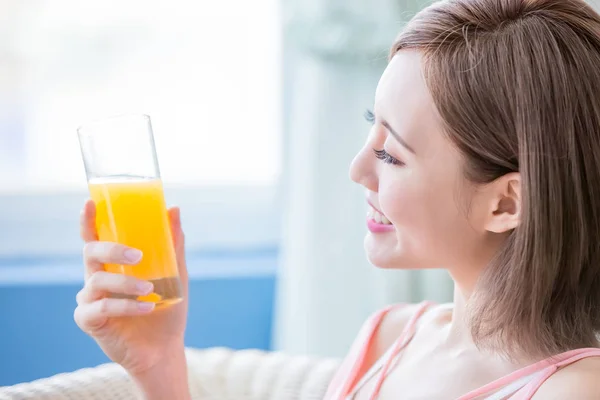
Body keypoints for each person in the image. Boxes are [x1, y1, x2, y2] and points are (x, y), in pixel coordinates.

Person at [74, 0, 600, 398]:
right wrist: (158, 362)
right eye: (372, 131)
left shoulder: (571, 389)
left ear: (507, 204)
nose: (357, 170)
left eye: (392, 154)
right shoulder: (391, 336)